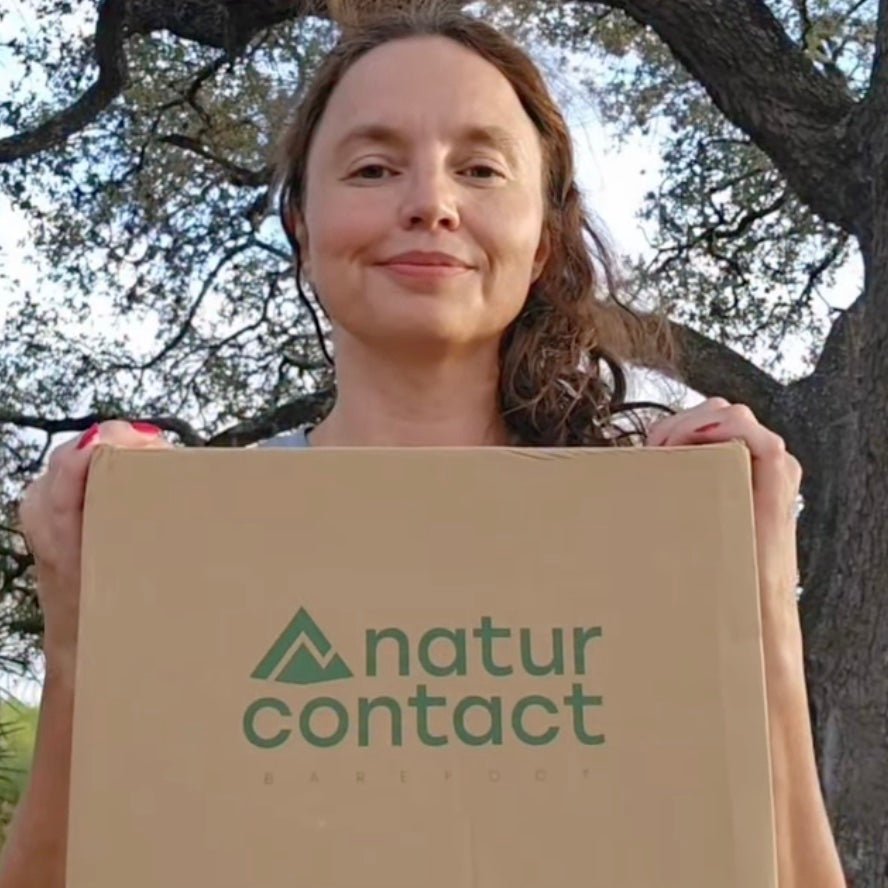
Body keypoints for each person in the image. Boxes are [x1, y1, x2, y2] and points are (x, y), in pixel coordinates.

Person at [1, 2, 846, 886]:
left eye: (480, 169)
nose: (430, 205)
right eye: (372, 168)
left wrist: (756, 610)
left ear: (543, 235)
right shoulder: (198, 542)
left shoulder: (651, 538)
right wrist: (84, 634)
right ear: (301, 220)